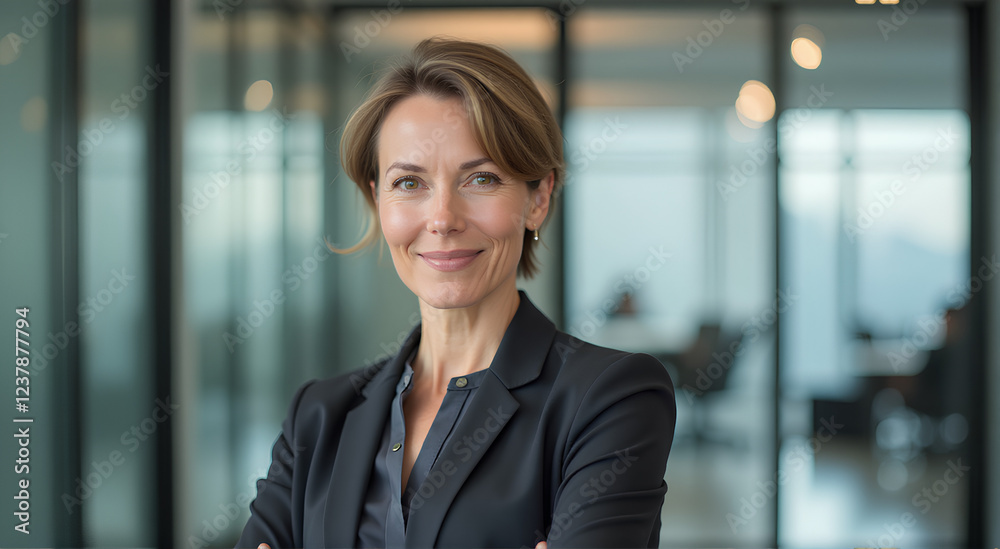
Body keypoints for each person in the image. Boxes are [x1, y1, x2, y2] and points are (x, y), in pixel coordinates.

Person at [236, 37, 676, 549]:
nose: (442, 218)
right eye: (409, 183)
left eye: (481, 178)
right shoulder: (318, 413)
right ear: (377, 199)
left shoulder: (611, 399)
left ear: (538, 198)